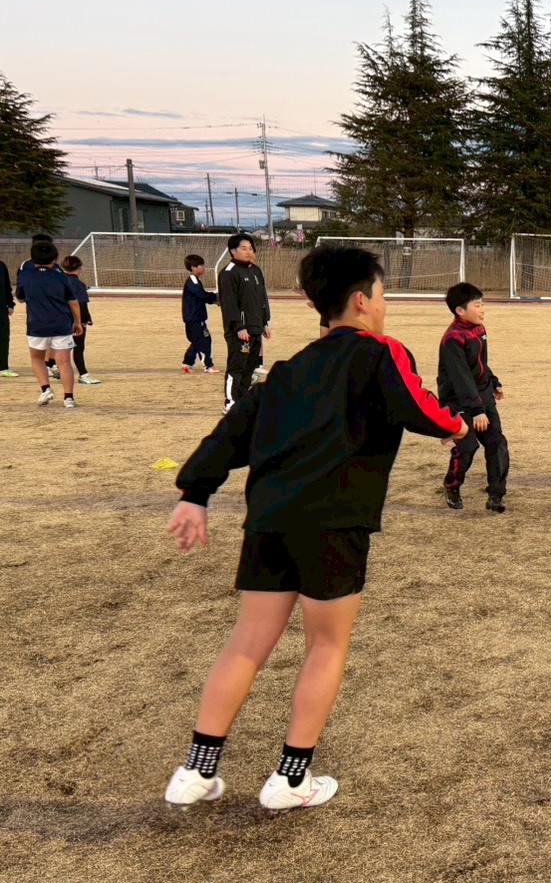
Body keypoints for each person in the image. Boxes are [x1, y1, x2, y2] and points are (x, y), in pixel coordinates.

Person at [163, 243, 468, 811]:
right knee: (326, 645)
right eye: (382, 294)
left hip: (270, 521)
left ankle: (196, 770)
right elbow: (420, 407)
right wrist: (457, 426)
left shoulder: (288, 369)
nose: (384, 305)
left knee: (247, 644)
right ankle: (291, 779)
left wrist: (195, 493)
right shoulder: (381, 351)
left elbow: (233, 431)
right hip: (334, 521)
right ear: (362, 301)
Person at [437, 282, 509, 512]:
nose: (482, 309)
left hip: (482, 395)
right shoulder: (453, 339)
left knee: (497, 443)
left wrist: (493, 382)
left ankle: (496, 495)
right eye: (477, 305)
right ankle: (452, 485)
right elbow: (461, 378)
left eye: (482, 304)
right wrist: (477, 411)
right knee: (467, 446)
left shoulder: (479, 329)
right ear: (460, 310)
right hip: (458, 401)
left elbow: (479, 365)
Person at [14, 238, 83, 408]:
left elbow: (20, 298)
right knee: (64, 362)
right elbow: (73, 301)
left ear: (32, 258)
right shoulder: (61, 276)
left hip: (37, 324)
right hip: (61, 324)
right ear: (54, 258)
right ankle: (68, 398)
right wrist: (78, 322)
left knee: (37, 358)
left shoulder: (25, 275)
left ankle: (46, 389)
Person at [218, 233, 270, 414]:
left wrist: (265, 322)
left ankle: (243, 400)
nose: (248, 252)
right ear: (233, 251)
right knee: (237, 367)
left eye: (250, 248)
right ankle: (230, 402)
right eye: (243, 248)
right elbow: (229, 303)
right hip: (239, 330)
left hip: (255, 328)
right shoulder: (228, 273)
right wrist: (239, 326)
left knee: (250, 367)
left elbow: (262, 299)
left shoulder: (255, 271)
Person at [46, 256, 100, 385]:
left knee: (60, 345)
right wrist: (83, 321)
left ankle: (52, 366)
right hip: (73, 320)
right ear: (80, 269)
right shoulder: (78, 285)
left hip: (58, 318)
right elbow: (80, 304)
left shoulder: (57, 281)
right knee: (78, 347)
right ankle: (83, 374)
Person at [180, 254, 219, 373]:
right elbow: (202, 295)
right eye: (200, 265)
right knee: (204, 340)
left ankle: (187, 363)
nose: (203, 268)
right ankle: (208, 365)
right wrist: (215, 297)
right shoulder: (192, 280)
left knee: (197, 340)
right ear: (193, 267)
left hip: (194, 318)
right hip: (195, 318)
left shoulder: (196, 280)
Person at [0, 251, 15, 378]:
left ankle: (3, 367)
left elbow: (7, 287)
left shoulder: (1, 266)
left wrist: (10, 304)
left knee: (3, 338)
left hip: (1, 309)